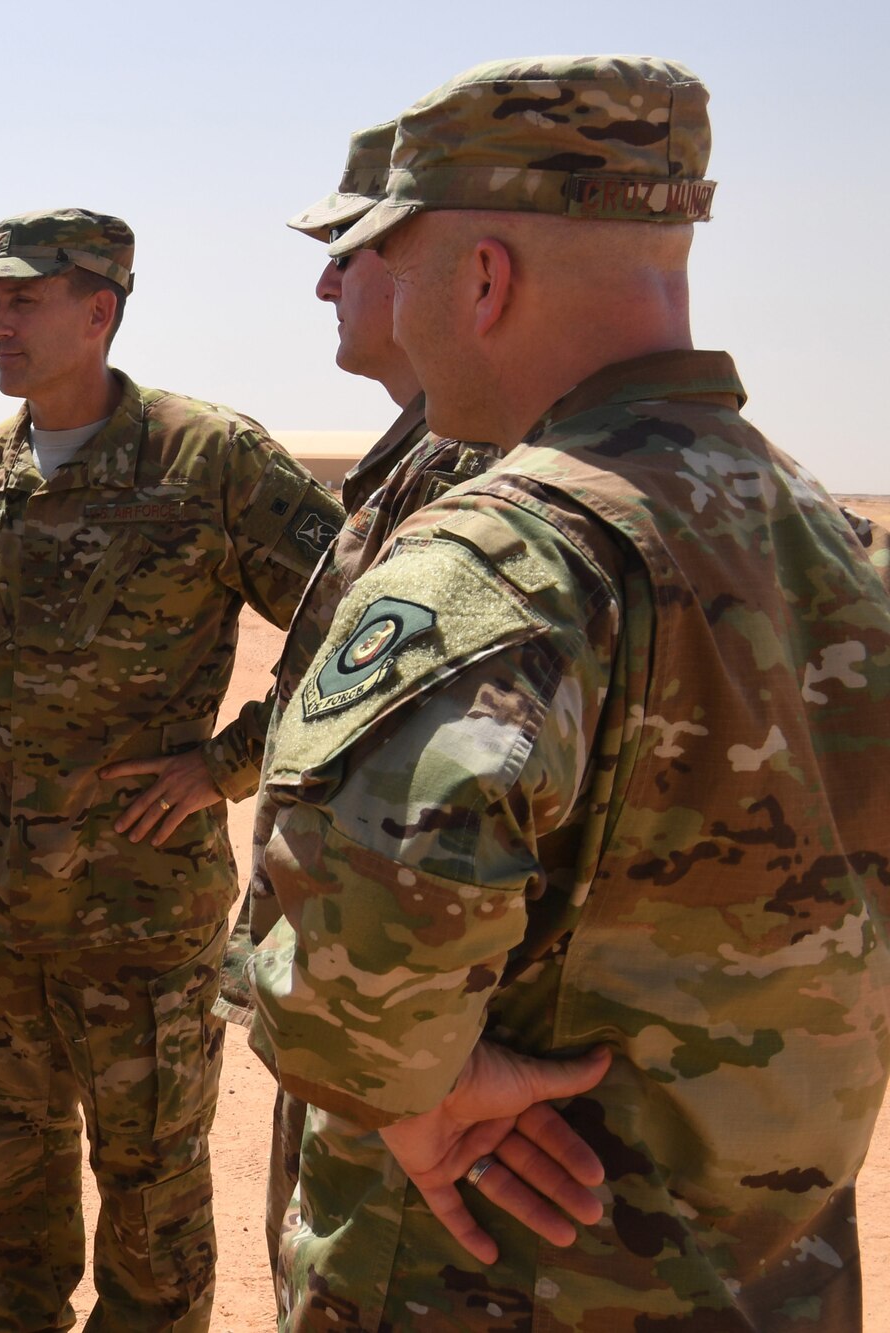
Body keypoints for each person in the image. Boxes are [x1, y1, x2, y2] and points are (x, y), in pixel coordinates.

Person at [250, 55, 890, 1330]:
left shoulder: (506, 554)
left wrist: (422, 1103)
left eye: (407, 264)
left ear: (482, 279)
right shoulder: (818, 531)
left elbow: (347, 1005)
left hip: (501, 1273)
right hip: (769, 1277)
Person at [0, 208, 342, 1332]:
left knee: (149, 1208)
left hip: (139, 915)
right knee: (2, 1190)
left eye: (20, 300)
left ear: (98, 310)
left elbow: (354, 624)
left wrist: (227, 761)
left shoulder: (210, 460)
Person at [213, 120, 500, 1282]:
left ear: (463, 267)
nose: (324, 278)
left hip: (425, 1071)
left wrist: (385, 1066)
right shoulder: (418, 461)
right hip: (383, 1051)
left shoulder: (485, 478)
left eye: (352, 246)